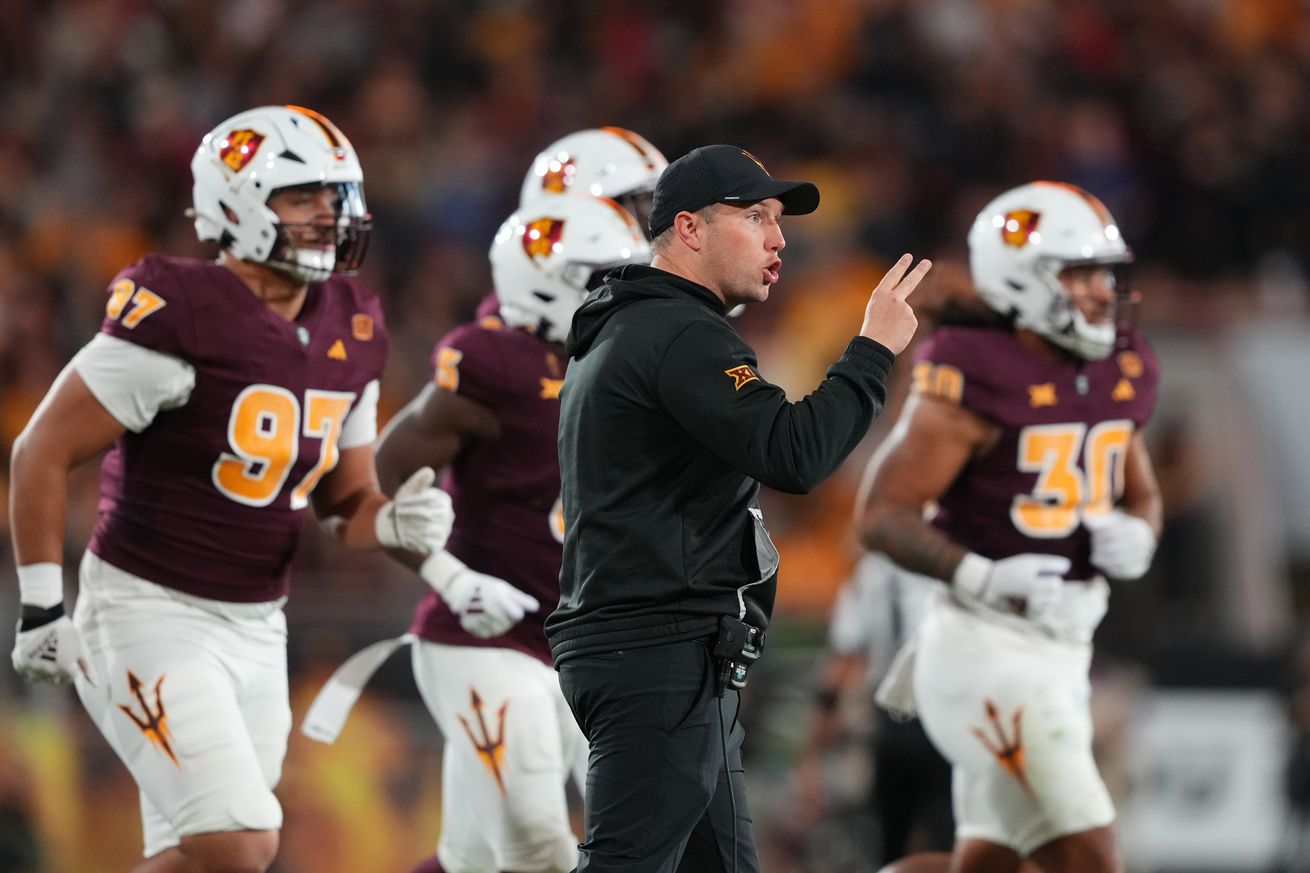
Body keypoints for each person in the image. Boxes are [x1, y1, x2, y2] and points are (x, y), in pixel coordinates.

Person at [7, 105, 455, 873]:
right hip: (149, 614)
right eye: (304, 196)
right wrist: (43, 601)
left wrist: (392, 523)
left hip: (258, 625)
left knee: (204, 855)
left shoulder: (355, 324)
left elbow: (343, 502)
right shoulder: (180, 310)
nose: (330, 214)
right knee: (241, 839)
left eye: (336, 196)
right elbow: (42, 447)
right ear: (236, 202)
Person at [547, 143, 930, 873]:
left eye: (778, 220)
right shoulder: (678, 331)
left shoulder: (632, 327)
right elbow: (794, 453)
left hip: (662, 649)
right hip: (659, 648)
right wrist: (873, 350)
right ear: (688, 229)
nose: (778, 238)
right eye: (755, 217)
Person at [860, 182, 1162, 873]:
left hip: (1063, 653)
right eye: (1078, 271)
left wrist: (1140, 531)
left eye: (1105, 272)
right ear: (1020, 277)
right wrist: (983, 573)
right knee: (1090, 857)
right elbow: (881, 515)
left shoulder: (1121, 363)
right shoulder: (975, 369)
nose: (1099, 291)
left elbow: (1138, 488)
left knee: (988, 866)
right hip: (986, 654)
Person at [791, 551, 954, 867]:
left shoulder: (875, 568)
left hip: (892, 723)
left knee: (888, 846)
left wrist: (812, 753)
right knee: (951, 847)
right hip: (949, 721)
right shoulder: (958, 557)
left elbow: (840, 665)